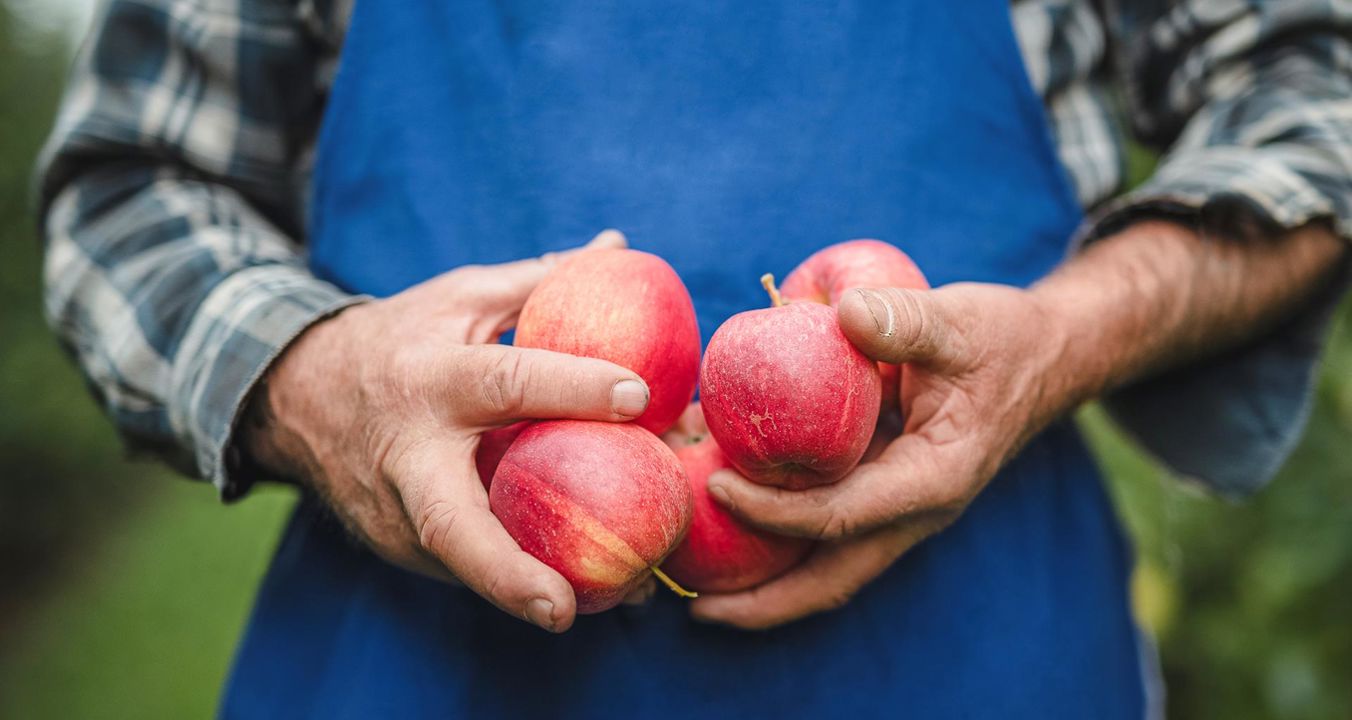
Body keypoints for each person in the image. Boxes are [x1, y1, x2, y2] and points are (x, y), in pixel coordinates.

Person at [37, 0, 1351, 717]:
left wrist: (1069, 336)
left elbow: (1315, 104)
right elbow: (130, 190)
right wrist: (317, 383)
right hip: (421, 659)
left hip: (975, 649)